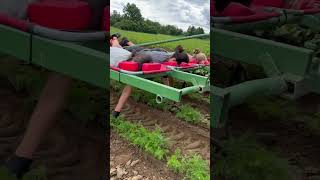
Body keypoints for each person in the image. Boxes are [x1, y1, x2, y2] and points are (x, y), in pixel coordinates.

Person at [0, 0, 108, 178]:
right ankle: (20, 160)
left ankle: (20, 160)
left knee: (65, 65)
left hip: (78, 21)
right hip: (72, 20)